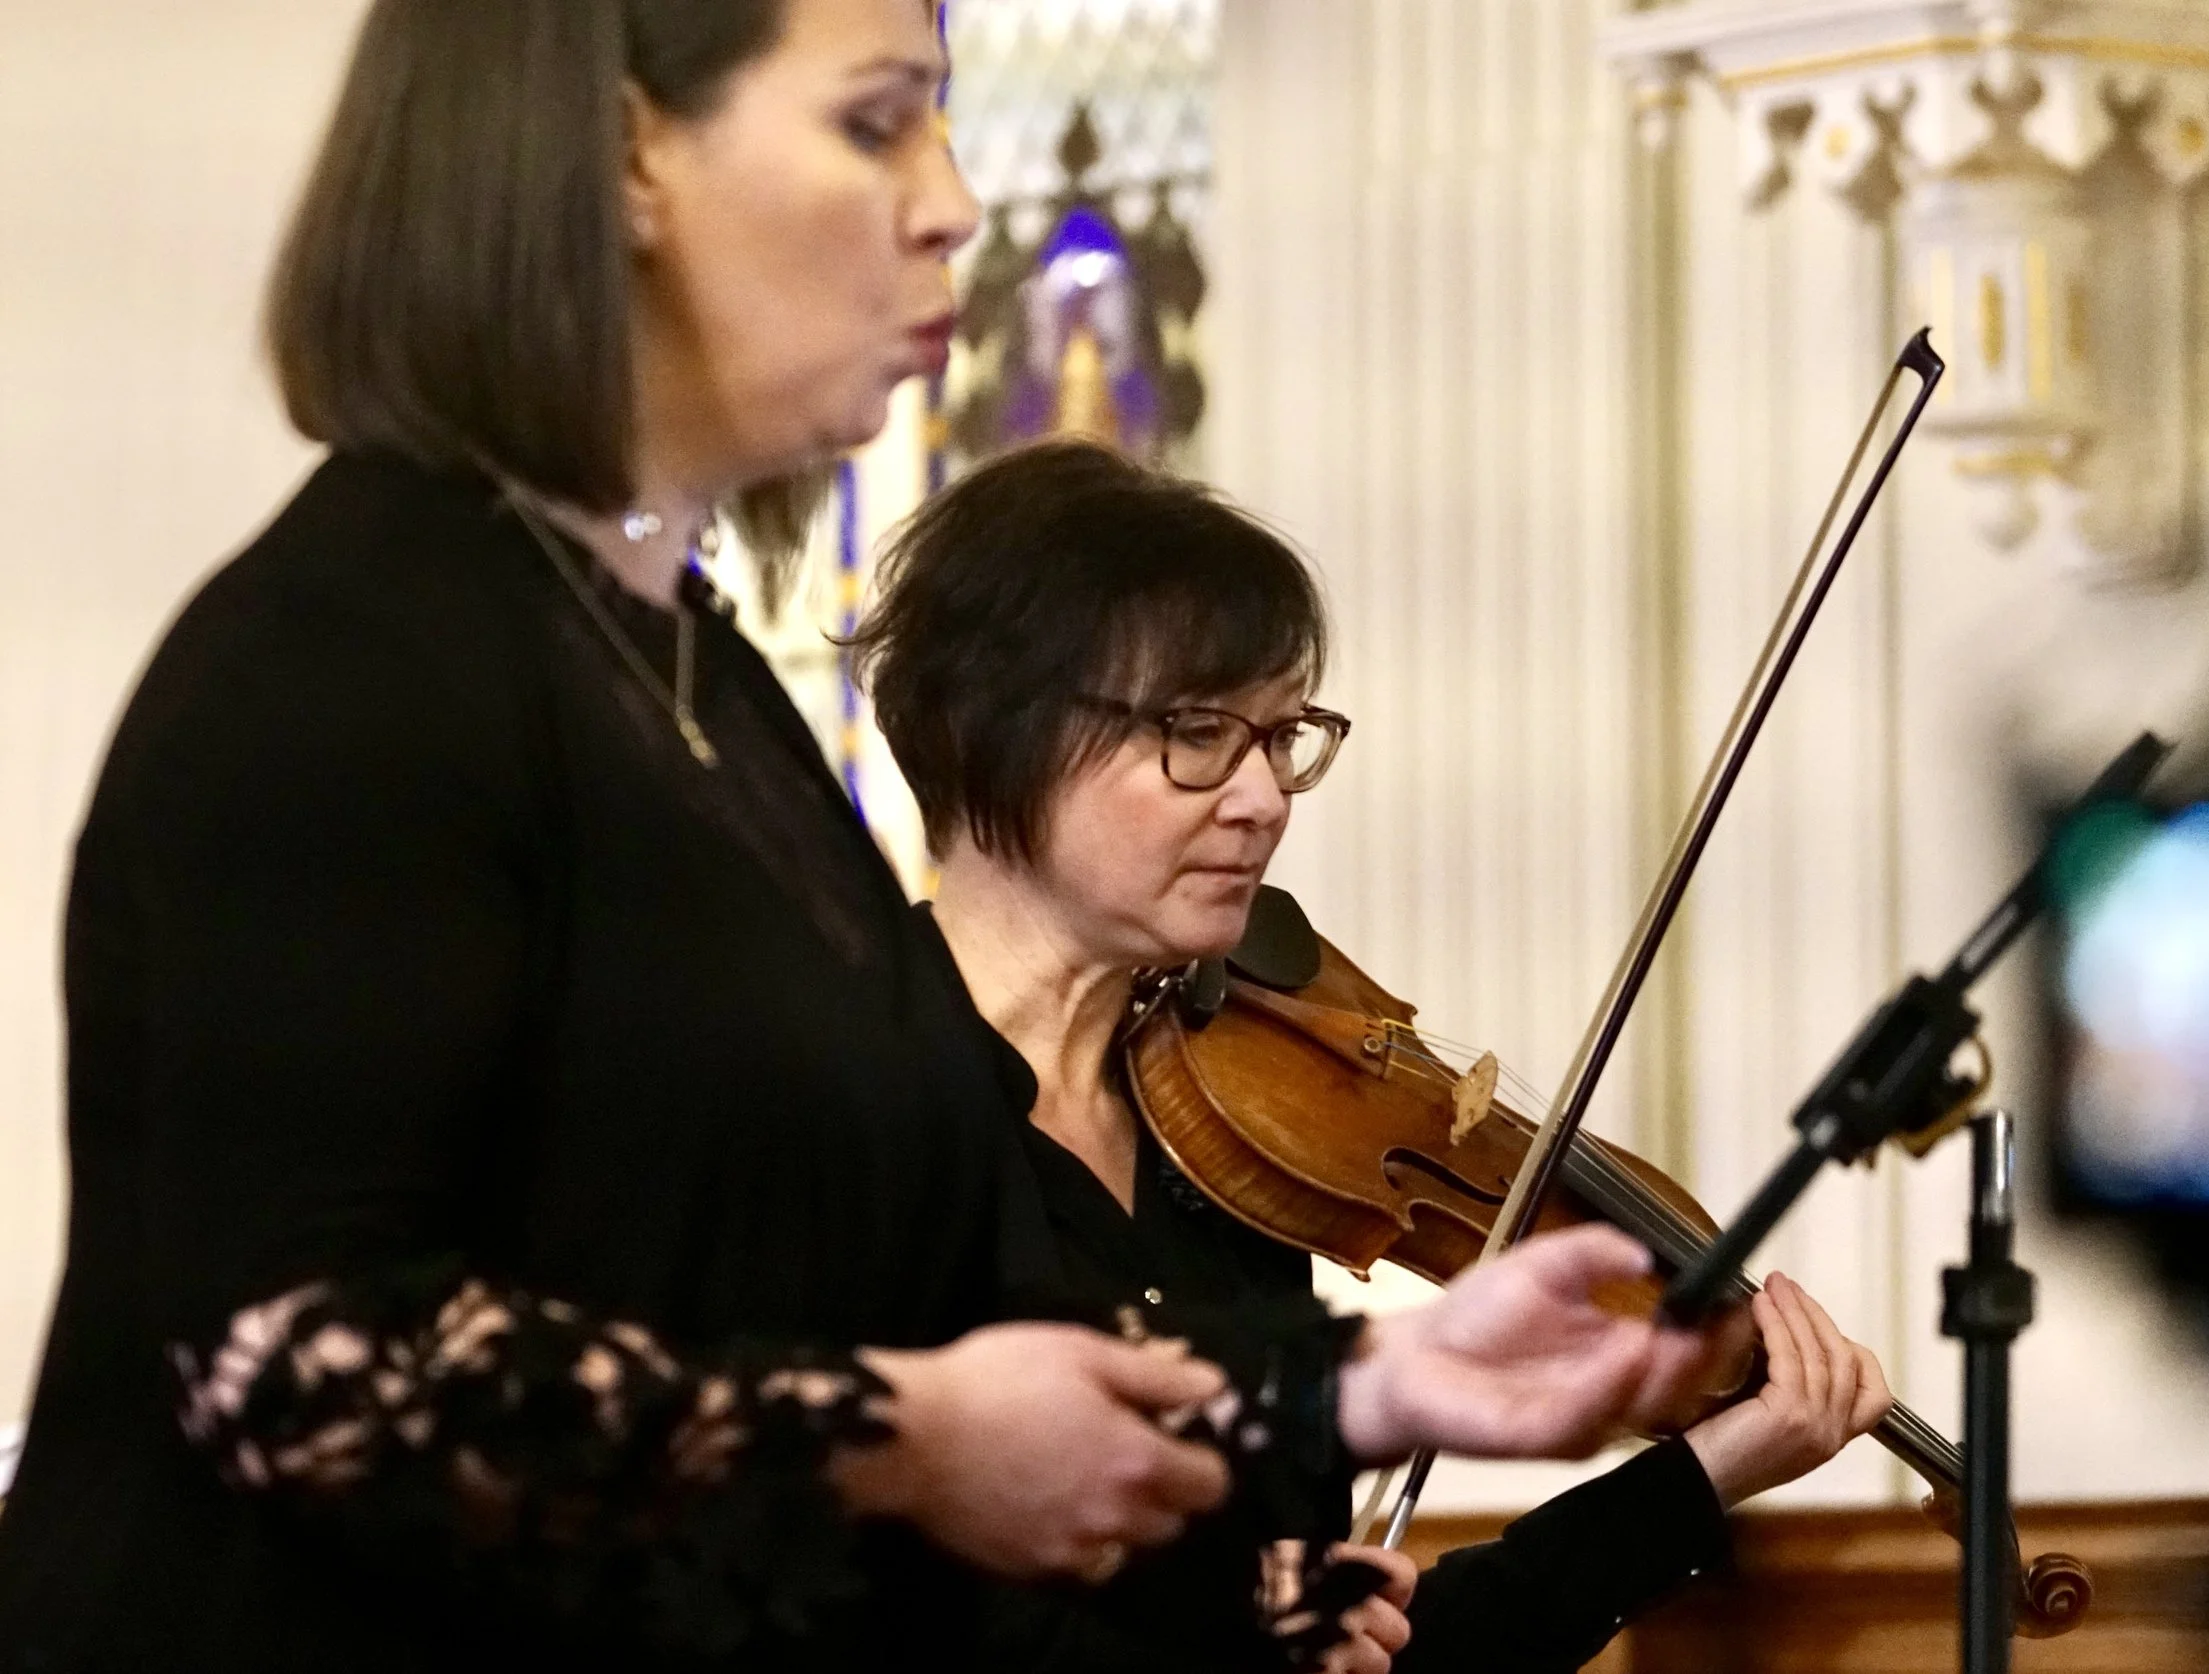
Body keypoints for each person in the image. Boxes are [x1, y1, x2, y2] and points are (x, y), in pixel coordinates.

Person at [0, 4, 1754, 1670]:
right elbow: (300, 1367)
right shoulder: (352, 655)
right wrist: (914, 1440)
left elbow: (932, 1333)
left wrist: (1374, 1382)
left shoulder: (703, 691)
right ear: (621, 159)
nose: (955, 205)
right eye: (874, 118)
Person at [851, 439, 1898, 1674]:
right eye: (1197, 733)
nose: (1261, 797)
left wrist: (1703, 1475)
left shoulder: (1226, 1148)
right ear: (992, 730)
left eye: (1282, 736)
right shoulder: (842, 1115)